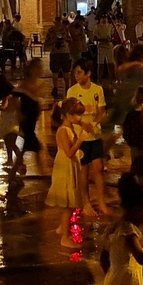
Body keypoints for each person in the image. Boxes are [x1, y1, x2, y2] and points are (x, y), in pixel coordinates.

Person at [67, 62, 109, 216]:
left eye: (79, 73)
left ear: (88, 73)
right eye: (75, 73)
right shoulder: (72, 91)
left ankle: (102, 202)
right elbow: (69, 113)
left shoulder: (97, 90)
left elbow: (102, 110)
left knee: (98, 168)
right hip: (80, 137)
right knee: (83, 171)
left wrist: (93, 123)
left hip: (95, 135)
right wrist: (82, 124)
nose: (76, 76)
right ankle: (86, 203)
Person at [46, 97, 85, 243]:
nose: (80, 118)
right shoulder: (63, 131)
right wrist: (80, 140)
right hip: (65, 167)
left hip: (71, 165)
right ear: (69, 115)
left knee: (70, 202)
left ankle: (62, 228)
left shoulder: (70, 128)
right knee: (67, 205)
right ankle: (65, 237)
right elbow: (69, 152)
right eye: (78, 114)